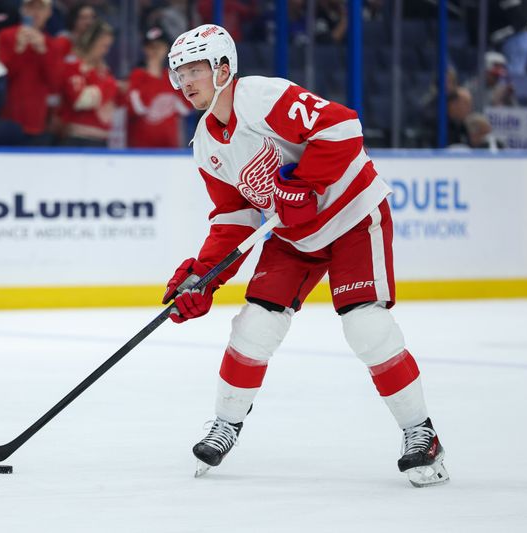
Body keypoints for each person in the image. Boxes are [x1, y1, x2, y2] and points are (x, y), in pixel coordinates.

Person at [163, 24, 449, 487]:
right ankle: (225, 424)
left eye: (195, 69)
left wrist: (305, 185)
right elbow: (234, 218)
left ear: (222, 67)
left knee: (366, 325)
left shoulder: (262, 98)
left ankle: (422, 433)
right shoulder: (208, 146)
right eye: (179, 73)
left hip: (352, 214)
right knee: (254, 325)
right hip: (294, 235)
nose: (186, 82)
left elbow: (342, 124)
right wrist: (204, 276)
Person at [0, 0, 60, 145]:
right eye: (31, 7)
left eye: (41, 8)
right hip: (6, 121)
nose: (35, 12)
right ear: (23, 10)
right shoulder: (6, 36)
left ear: (49, 12)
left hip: (36, 124)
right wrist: (17, 50)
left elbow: (55, 84)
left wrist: (44, 52)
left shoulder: (52, 45)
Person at [126, 26, 189, 148]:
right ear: (145, 49)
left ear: (166, 49)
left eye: (159, 47)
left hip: (170, 148)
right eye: (151, 47)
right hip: (140, 149)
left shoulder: (172, 76)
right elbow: (137, 109)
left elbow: (186, 109)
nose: (155, 51)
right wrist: (152, 75)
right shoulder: (138, 75)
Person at [58, 19, 116, 147]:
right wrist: (110, 85)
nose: (105, 51)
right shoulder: (73, 65)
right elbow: (80, 100)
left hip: (101, 139)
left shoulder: (103, 70)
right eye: (103, 46)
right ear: (91, 42)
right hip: (79, 139)